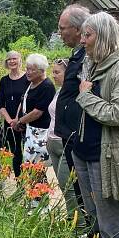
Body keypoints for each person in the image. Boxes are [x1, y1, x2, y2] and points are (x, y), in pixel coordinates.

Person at [73, 12, 119, 238]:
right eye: (82, 34)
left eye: (87, 35)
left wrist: (85, 96)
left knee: (114, 227)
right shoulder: (93, 63)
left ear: (102, 36)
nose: (82, 40)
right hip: (86, 153)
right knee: (96, 221)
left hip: (109, 158)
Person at [55, 4, 91, 220]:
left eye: (62, 28)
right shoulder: (78, 55)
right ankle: (81, 225)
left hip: (77, 134)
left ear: (78, 30)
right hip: (69, 133)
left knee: (81, 188)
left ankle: (86, 227)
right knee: (75, 187)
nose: (60, 33)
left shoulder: (87, 57)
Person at [46, 58, 86, 226]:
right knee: (63, 187)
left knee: (69, 185)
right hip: (52, 142)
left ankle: (81, 224)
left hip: (64, 143)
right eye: (53, 72)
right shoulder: (59, 91)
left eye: (57, 72)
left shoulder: (74, 92)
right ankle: (72, 219)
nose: (53, 76)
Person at [14, 53, 55, 165]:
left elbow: (37, 112)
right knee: (29, 164)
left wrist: (21, 121)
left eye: (32, 70)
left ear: (42, 71)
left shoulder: (46, 86)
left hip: (40, 133)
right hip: (28, 131)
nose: (28, 72)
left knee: (37, 165)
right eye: (27, 69)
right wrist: (18, 118)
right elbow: (23, 101)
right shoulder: (30, 83)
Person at [0, 50, 29, 177]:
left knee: (28, 152)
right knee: (16, 153)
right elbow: (1, 104)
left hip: (24, 121)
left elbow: (25, 99)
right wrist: (10, 120)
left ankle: (31, 183)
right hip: (9, 123)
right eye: (9, 59)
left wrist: (18, 119)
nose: (12, 61)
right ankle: (19, 181)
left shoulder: (27, 78)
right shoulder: (4, 80)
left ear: (20, 60)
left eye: (14, 58)